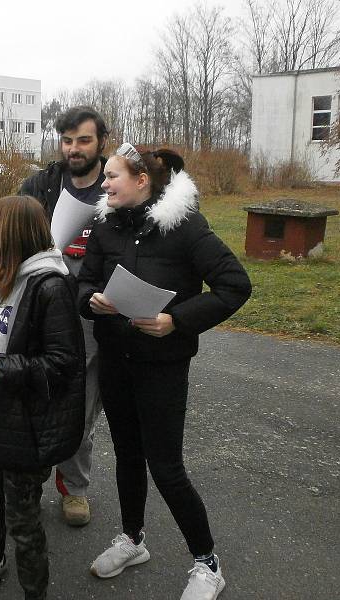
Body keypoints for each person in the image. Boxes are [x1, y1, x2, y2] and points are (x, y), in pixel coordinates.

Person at [78, 144, 251, 600]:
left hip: (163, 365)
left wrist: (176, 320)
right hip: (117, 359)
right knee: (128, 458)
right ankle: (133, 539)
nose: (105, 184)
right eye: (105, 177)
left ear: (142, 181)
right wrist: (91, 301)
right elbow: (85, 282)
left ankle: (207, 562)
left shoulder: (185, 227)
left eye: (113, 176)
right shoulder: (105, 224)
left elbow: (235, 285)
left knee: (166, 466)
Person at [0, 195, 85, 600]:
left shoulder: (51, 286)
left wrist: (6, 368)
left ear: (9, 233)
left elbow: (64, 362)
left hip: (23, 429)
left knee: (24, 521)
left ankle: (35, 592)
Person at [19, 105, 108, 526]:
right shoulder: (41, 184)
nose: (74, 149)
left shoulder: (117, 185)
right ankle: (31, 476)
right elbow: (15, 232)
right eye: (67, 140)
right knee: (40, 393)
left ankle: (75, 487)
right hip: (47, 302)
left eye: (83, 140)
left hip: (96, 310)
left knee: (83, 403)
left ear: (100, 143)